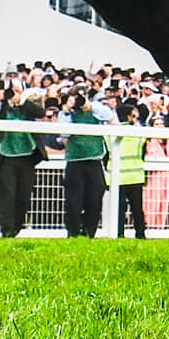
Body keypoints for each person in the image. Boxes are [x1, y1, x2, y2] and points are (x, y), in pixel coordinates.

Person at [0, 93, 46, 239]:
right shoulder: (1, 107)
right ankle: (7, 230)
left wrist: (23, 101)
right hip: (5, 156)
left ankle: (17, 228)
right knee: (6, 195)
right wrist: (0, 100)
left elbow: (41, 113)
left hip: (27, 156)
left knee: (24, 196)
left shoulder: (26, 107)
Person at [59, 94, 110, 237]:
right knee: (74, 202)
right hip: (75, 161)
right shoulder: (65, 115)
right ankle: (73, 234)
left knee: (94, 200)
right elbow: (64, 132)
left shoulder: (95, 111)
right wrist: (68, 111)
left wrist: (91, 106)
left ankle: (89, 233)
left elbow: (109, 115)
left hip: (94, 161)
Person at [111, 104, 150, 239]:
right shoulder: (139, 133)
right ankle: (140, 235)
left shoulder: (110, 133)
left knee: (119, 210)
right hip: (135, 176)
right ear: (129, 116)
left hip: (116, 177)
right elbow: (144, 148)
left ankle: (118, 235)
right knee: (137, 210)